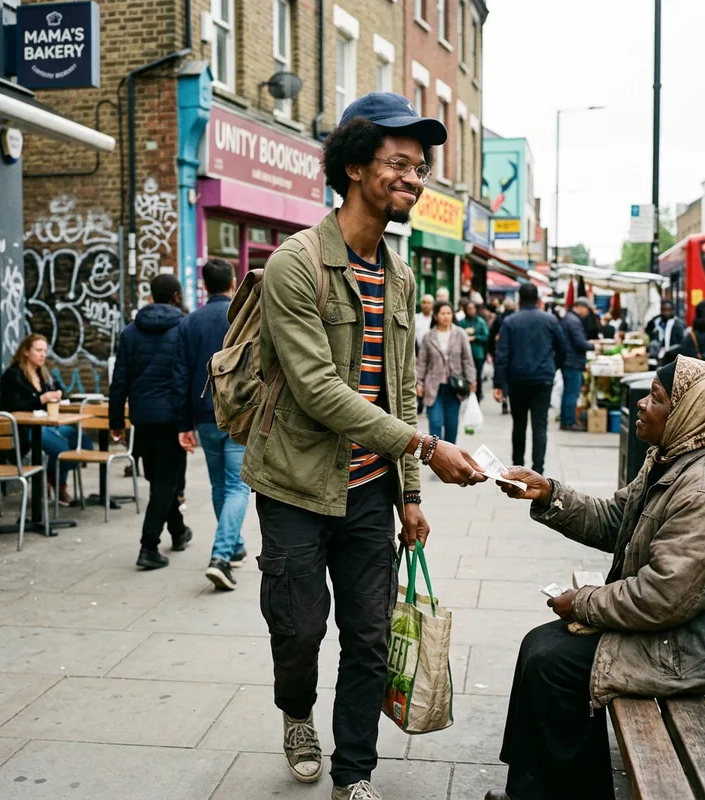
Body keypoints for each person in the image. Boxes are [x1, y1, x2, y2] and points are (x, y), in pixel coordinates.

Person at [239, 92, 486, 800]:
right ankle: (296, 712)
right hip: (293, 483)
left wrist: (410, 492)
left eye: (421, 168)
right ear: (353, 168)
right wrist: (426, 445)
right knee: (297, 631)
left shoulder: (401, 276)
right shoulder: (294, 265)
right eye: (399, 164)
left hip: (371, 490)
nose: (414, 178)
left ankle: (356, 773)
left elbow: (401, 389)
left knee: (370, 639)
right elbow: (317, 390)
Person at [485, 356, 705, 800]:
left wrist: (585, 602)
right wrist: (549, 492)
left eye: (657, 399)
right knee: (540, 646)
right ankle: (533, 789)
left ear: (688, 412)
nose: (643, 405)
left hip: (701, 648)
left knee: (553, 663)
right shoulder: (673, 459)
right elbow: (617, 520)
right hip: (678, 629)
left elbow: (664, 596)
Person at [173, 259, 250, 591]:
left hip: (203, 414)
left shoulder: (189, 323)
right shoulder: (242, 317)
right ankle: (221, 556)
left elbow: (180, 375)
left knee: (221, 486)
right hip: (239, 412)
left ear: (204, 285)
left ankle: (233, 546)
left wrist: (184, 423)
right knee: (237, 487)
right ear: (233, 283)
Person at [109, 273, 192, 571]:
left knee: (159, 480)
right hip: (172, 417)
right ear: (176, 296)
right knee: (164, 483)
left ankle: (179, 531)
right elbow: (188, 376)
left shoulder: (130, 332)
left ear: (151, 296)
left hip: (142, 417)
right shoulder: (184, 328)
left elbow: (119, 381)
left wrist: (115, 421)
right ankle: (148, 546)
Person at [0, 333, 93, 506]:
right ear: (26, 352)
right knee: (62, 449)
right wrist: (41, 399)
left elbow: (58, 389)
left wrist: (57, 394)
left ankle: (53, 475)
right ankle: (59, 483)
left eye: (45, 351)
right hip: (24, 431)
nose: (43, 355)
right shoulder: (13, 375)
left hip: (47, 425)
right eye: (38, 350)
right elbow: (13, 406)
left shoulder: (43, 374)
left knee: (85, 443)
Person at [492, 284, 566, 474]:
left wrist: (499, 383)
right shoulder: (550, 320)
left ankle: (517, 467)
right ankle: (538, 469)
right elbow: (563, 349)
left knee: (519, 424)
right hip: (543, 379)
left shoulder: (510, 322)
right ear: (538, 300)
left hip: (517, 380)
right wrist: (551, 367)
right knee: (540, 425)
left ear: (519, 300)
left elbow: (502, 354)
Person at [417, 300, 477, 445]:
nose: (446, 316)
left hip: (454, 387)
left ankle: (450, 463)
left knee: (451, 428)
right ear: (436, 316)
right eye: (442, 313)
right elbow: (422, 362)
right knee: (435, 424)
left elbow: (467, 360)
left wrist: (472, 380)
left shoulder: (460, 334)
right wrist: (419, 383)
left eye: (449, 313)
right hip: (433, 388)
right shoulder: (428, 337)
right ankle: (437, 461)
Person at [559, 298, 595, 431]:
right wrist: (593, 346)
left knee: (567, 392)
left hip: (567, 361)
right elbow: (579, 342)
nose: (587, 312)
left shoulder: (568, 318)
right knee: (571, 393)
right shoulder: (574, 321)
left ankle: (565, 421)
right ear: (580, 307)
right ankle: (569, 422)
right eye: (587, 309)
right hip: (573, 361)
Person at [488, 299, 516, 414]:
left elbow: (491, 336)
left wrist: (490, 351)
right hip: (514, 354)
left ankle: (504, 399)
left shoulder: (499, 319)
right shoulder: (516, 319)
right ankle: (510, 398)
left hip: (499, 351)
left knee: (503, 376)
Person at [459, 300, 490, 401]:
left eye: (472, 308)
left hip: (477, 354)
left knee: (477, 376)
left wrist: (475, 337)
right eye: (468, 309)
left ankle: (477, 395)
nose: (471, 311)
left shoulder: (480, 322)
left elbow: (486, 336)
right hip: (464, 354)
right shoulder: (462, 322)